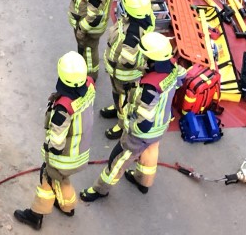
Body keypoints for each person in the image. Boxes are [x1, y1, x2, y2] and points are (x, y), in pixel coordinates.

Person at [80, 32, 188, 202]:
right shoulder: (174, 68)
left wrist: (130, 128)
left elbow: (143, 124)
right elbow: (182, 77)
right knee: (151, 151)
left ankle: (100, 189)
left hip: (142, 133)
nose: (142, 58)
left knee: (118, 159)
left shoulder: (150, 88)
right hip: (161, 126)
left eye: (145, 56)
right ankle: (143, 181)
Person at [13, 52, 96, 231]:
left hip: (65, 158)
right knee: (62, 178)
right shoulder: (89, 87)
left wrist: (49, 152)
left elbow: (57, 143)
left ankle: (35, 215)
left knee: (47, 178)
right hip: (81, 152)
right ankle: (68, 207)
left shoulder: (62, 111)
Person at [99, 0, 152, 140]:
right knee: (118, 95)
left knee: (124, 100)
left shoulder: (133, 35)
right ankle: (117, 108)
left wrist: (114, 62)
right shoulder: (142, 19)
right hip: (118, 75)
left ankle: (122, 125)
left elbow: (128, 62)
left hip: (124, 77)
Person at [68, 0, 117, 83]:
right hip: (94, 24)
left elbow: (91, 15)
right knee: (87, 50)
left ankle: (90, 76)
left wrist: (81, 30)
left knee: (89, 52)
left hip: (90, 28)